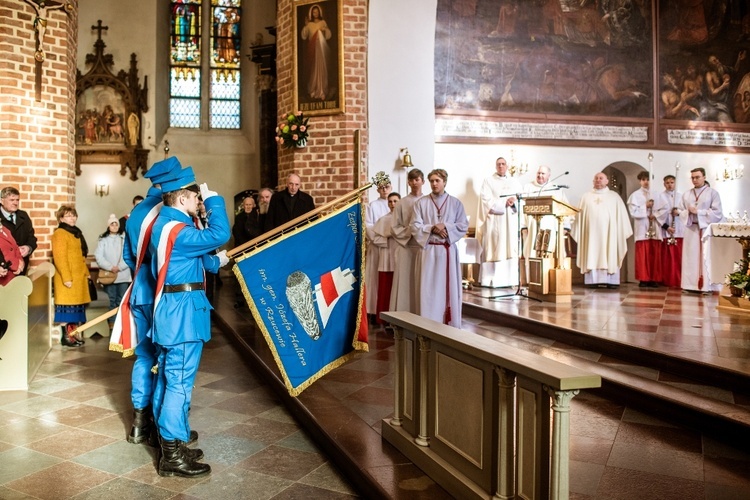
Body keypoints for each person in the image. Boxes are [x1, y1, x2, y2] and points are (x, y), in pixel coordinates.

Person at [148, 168, 230, 478]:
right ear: (182, 198)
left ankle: (176, 442)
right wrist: (214, 201)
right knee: (179, 384)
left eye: (200, 198)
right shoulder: (176, 228)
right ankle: (171, 455)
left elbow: (197, 258)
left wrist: (215, 261)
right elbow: (219, 234)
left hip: (178, 310)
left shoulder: (171, 225)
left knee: (174, 381)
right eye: (196, 197)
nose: (199, 202)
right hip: (181, 314)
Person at [120, 157, 183, 447]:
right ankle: (164, 429)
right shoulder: (167, 210)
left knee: (144, 356)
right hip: (162, 294)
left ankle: (138, 423)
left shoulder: (136, 212)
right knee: (167, 359)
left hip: (140, 292)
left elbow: (128, 257)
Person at [411, 169, 468, 328]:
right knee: (428, 288)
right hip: (429, 251)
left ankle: (448, 321)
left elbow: (463, 225)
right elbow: (414, 226)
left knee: (446, 289)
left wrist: (446, 227)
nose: (434, 184)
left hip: (446, 250)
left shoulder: (455, 203)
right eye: (432, 181)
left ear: (444, 182)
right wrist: (432, 228)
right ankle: (428, 321)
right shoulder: (421, 203)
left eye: (437, 180)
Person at [571, 172, 632, 289]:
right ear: (593, 181)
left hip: (610, 233)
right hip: (590, 234)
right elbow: (579, 217)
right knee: (591, 252)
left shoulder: (614, 197)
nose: (598, 180)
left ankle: (611, 280)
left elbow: (621, 217)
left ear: (607, 181)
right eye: (596, 178)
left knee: (610, 251)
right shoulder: (586, 197)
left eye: (601, 178)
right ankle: (592, 280)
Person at [475, 157, 522, 288]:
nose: (501, 166)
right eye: (498, 164)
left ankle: (510, 280)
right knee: (495, 247)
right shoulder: (488, 181)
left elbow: (522, 199)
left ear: (507, 166)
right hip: (496, 222)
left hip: (510, 223)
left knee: (509, 248)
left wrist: (514, 202)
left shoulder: (515, 182)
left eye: (503, 164)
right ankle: (491, 281)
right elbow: (485, 200)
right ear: (495, 166)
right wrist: (503, 203)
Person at [678, 167, 723, 293]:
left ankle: (706, 286)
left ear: (704, 177)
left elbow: (717, 213)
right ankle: (689, 285)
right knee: (690, 257)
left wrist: (699, 212)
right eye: (692, 177)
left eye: (697, 177)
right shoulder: (687, 194)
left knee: (705, 257)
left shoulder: (712, 193)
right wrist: (688, 212)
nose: (695, 180)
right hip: (691, 228)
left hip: (705, 230)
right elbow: (680, 211)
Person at [520, 165, 571, 279]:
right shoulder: (528, 187)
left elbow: (564, 208)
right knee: (533, 253)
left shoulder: (556, 189)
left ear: (549, 176)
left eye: (543, 174)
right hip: (533, 229)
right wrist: (523, 226)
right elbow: (522, 208)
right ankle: (533, 279)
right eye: (538, 173)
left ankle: (550, 279)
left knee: (550, 252)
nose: (540, 176)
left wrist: (565, 227)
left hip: (551, 229)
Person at [51, 205, 90, 347]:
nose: (72, 218)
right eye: (68, 215)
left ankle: (73, 336)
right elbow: (60, 258)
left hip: (78, 278)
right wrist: (67, 278)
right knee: (66, 310)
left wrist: (86, 273)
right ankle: (66, 338)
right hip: (67, 279)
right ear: (61, 218)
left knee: (75, 310)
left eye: (73, 215)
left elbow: (80, 256)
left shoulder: (75, 233)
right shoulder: (60, 233)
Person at [390, 168, 424, 314]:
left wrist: (421, 233)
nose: (415, 183)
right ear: (408, 182)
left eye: (417, 180)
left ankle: (421, 312)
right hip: (407, 245)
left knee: (421, 281)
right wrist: (411, 231)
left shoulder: (428, 201)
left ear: (423, 181)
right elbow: (394, 227)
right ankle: (403, 314)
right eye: (412, 180)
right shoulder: (401, 203)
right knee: (404, 282)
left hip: (423, 246)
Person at [94, 214, 132, 332]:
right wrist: (110, 267)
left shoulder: (125, 238)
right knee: (111, 300)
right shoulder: (103, 240)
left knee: (122, 300)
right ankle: (112, 324)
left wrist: (120, 267)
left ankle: (122, 324)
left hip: (123, 275)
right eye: (112, 224)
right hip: (109, 275)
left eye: (116, 224)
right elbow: (98, 256)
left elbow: (129, 255)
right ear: (108, 226)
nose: (114, 226)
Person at [627, 171, 662, 288]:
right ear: (640, 181)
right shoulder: (635, 195)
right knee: (643, 254)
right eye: (643, 179)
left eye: (648, 179)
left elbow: (664, 209)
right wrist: (645, 207)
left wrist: (655, 215)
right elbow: (633, 212)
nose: (646, 182)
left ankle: (654, 278)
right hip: (642, 226)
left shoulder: (657, 194)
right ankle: (643, 278)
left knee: (654, 254)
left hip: (655, 226)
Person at [365, 174, 392, 323]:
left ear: (391, 187)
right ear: (377, 189)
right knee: (374, 279)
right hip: (377, 247)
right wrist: (381, 239)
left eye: (386, 186)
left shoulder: (396, 203)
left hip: (391, 248)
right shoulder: (373, 206)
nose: (384, 190)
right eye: (381, 187)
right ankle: (373, 311)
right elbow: (368, 225)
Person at [371, 192, 400, 324]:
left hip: (400, 256)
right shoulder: (383, 220)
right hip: (386, 256)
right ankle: (383, 319)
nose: (393, 204)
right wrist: (387, 235)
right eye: (390, 201)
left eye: (395, 201)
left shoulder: (404, 219)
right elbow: (376, 238)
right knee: (385, 288)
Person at [653, 174, 684, 288]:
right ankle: (667, 279)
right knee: (667, 258)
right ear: (664, 184)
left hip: (680, 230)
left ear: (675, 183)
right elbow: (657, 213)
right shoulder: (660, 197)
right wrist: (666, 227)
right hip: (667, 230)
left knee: (679, 257)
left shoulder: (681, 196)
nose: (670, 185)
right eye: (667, 183)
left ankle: (679, 279)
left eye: (672, 182)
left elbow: (686, 212)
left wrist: (678, 212)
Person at [0, 186, 37, 275]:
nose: (15, 203)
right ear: (1, 201)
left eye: (17, 200)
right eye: (12, 200)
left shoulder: (24, 216)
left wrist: (28, 248)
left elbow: (32, 238)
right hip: (3, 269)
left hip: (21, 267)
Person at [300, 4, 332, 101]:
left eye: (317, 11)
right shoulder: (309, 25)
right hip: (312, 49)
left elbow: (328, 36)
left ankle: (322, 90)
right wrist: (305, 26)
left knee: (321, 68)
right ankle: (313, 90)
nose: (315, 13)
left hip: (321, 49)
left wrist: (324, 30)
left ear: (319, 12)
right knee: (313, 69)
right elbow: (304, 36)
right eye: (314, 12)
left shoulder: (323, 22)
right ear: (311, 14)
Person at [0, 219, 24, 286]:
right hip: (3, 279)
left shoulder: (6, 229)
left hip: (12, 278)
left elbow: (15, 248)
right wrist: (15, 265)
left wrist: (20, 262)